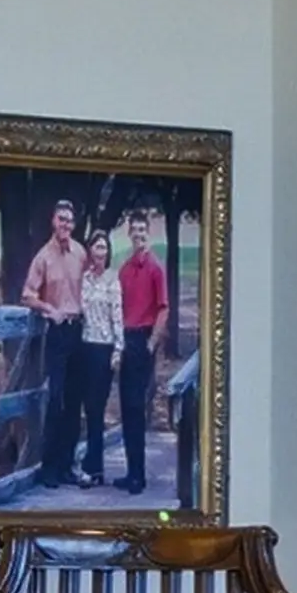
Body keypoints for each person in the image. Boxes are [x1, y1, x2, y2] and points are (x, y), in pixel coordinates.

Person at [12, 197, 91, 492]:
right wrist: (49, 310)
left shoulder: (80, 253)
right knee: (55, 400)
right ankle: (49, 469)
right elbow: (27, 295)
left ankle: (67, 465)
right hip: (57, 332)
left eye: (69, 221)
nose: (65, 225)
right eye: (61, 219)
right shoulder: (43, 257)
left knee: (74, 403)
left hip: (79, 332)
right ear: (53, 222)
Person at [47, 191, 122, 491]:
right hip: (83, 345)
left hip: (104, 350)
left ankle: (96, 468)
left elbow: (118, 316)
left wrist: (119, 348)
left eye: (103, 247)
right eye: (95, 246)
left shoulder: (112, 281)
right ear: (90, 251)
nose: (99, 251)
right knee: (80, 406)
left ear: (108, 250)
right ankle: (80, 466)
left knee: (96, 409)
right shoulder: (86, 278)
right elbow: (70, 300)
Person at [108, 210, 173, 492]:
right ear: (129, 235)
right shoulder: (124, 270)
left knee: (137, 406)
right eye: (134, 231)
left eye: (142, 231)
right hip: (126, 339)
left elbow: (164, 308)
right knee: (126, 407)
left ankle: (139, 476)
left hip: (144, 339)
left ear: (149, 234)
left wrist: (151, 342)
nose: (138, 236)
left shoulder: (155, 269)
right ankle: (131, 471)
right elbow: (118, 307)